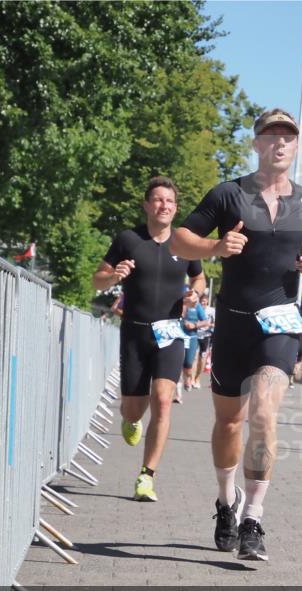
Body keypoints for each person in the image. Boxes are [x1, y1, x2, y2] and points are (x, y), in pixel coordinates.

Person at [172, 107, 302, 561]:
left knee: (263, 412)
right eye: (271, 135)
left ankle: (254, 518)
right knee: (229, 422)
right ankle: (227, 500)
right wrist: (216, 247)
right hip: (234, 322)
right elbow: (180, 241)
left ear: (296, 148)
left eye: (288, 137)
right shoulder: (228, 194)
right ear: (256, 143)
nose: (280, 143)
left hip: (279, 323)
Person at [93, 176, 205, 501]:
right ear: (146, 205)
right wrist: (114, 276)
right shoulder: (128, 240)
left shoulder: (185, 242)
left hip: (170, 332)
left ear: (176, 207)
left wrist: (195, 294)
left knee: (163, 399)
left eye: (169, 201)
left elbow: (198, 276)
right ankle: (130, 419)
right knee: (133, 409)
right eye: (157, 200)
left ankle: (147, 476)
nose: (164, 206)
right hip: (135, 333)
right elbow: (96, 281)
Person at [181, 290, 210, 395]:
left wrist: (195, 325)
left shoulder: (197, 307)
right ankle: (177, 392)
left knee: (188, 362)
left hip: (192, 337)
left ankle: (188, 377)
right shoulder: (181, 304)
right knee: (177, 362)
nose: (192, 299)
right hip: (179, 337)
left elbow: (206, 322)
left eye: (195, 297)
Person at [193, 292, 215, 388]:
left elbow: (215, 323)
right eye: (202, 302)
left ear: (207, 303)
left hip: (206, 336)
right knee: (194, 358)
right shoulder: (196, 309)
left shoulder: (212, 311)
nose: (203, 304)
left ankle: (197, 377)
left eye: (205, 302)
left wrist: (209, 325)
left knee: (202, 359)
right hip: (195, 335)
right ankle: (192, 379)